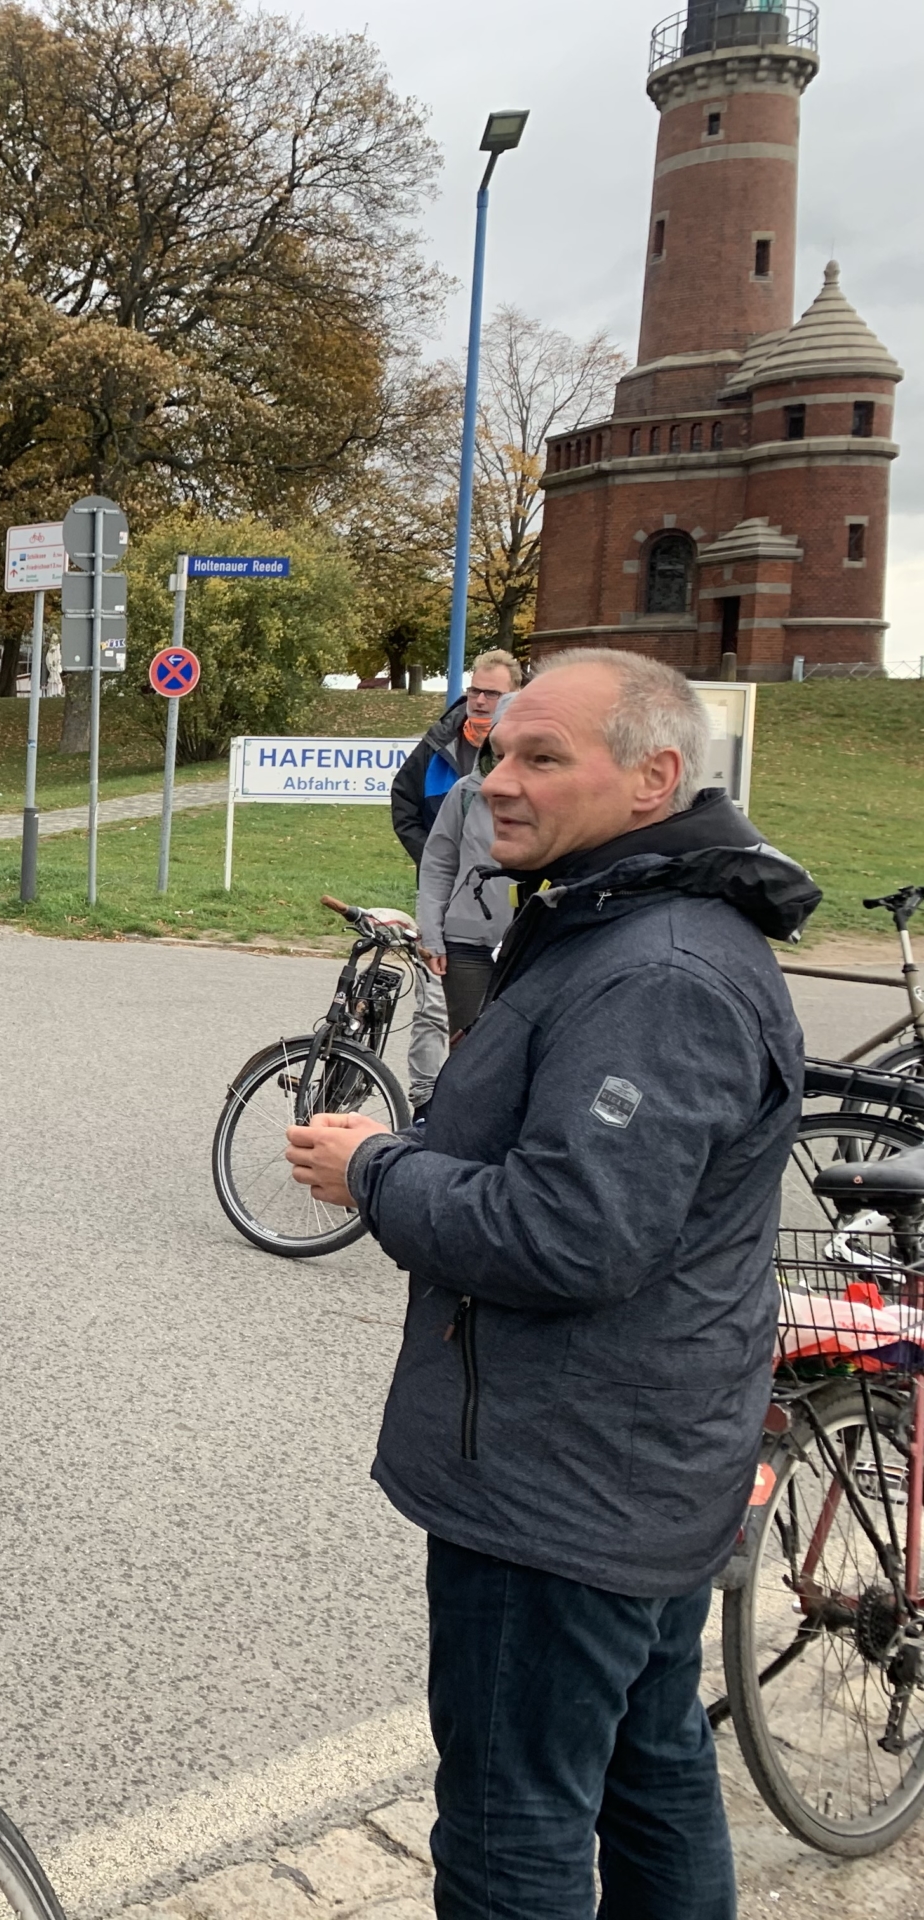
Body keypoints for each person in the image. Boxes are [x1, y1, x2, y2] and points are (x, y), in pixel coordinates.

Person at [286, 650, 817, 1920]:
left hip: (564, 1485)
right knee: (649, 1764)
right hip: (625, 1466)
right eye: (492, 752)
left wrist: (376, 1171)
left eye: (540, 758)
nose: (496, 783)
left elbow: (572, 1234)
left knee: (511, 1824)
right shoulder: (612, 916)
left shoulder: (660, 971)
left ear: (655, 780)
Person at [389, 650, 521, 1106]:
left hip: (521, 932)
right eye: (475, 691)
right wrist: (439, 909)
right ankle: (430, 1106)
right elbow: (423, 831)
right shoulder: (443, 752)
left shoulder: (551, 784)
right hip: (461, 926)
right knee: (442, 1021)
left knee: (513, 1043)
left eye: (492, 693)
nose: (480, 701)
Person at [413, 698, 513, 1044]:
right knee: (468, 1055)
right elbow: (439, 862)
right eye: (501, 751)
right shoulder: (466, 792)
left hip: (530, 943)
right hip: (467, 942)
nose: (508, 762)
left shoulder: (558, 797)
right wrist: (432, 934)